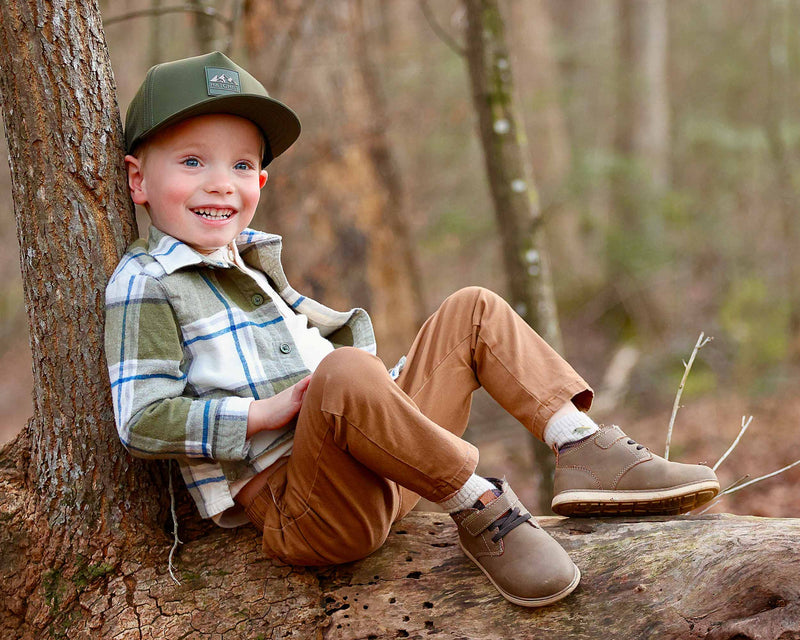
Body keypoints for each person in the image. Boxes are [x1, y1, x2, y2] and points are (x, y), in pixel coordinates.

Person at [104, 51, 720, 608]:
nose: (220, 183)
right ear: (138, 181)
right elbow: (140, 419)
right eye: (192, 162)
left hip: (384, 463)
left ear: (260, 183)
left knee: (470, 309)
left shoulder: (252, 262)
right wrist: (264, 414)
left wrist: (376, 384)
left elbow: (347, 381)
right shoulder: (148, 282)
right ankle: (482, 507)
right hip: (310, 508)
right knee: (344, 373)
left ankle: (581, 449)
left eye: (241, 165)